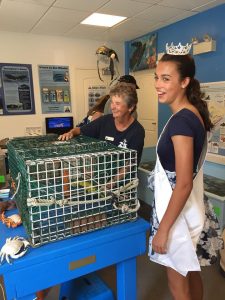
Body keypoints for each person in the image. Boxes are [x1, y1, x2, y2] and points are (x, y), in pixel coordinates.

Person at [148, 43, 223, 300]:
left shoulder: (181, 121)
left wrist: (164, 229)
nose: (158, 84)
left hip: (177, 214)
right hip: (187, 208)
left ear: (184, 81)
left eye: (166, 79)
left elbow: (183, 184)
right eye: (157, 77)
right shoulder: (191, 114)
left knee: (178, 284)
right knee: (191, 272)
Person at [59, 83, 145, 166]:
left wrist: (113, 181)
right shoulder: (105, 120)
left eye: (117, 103)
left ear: (131, 107)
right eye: (112, 102)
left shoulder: (137, 131)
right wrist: (71, 133)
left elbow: (130, 164)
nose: (112, 107)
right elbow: (80, 130)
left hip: (123, 178)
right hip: (101, 174)